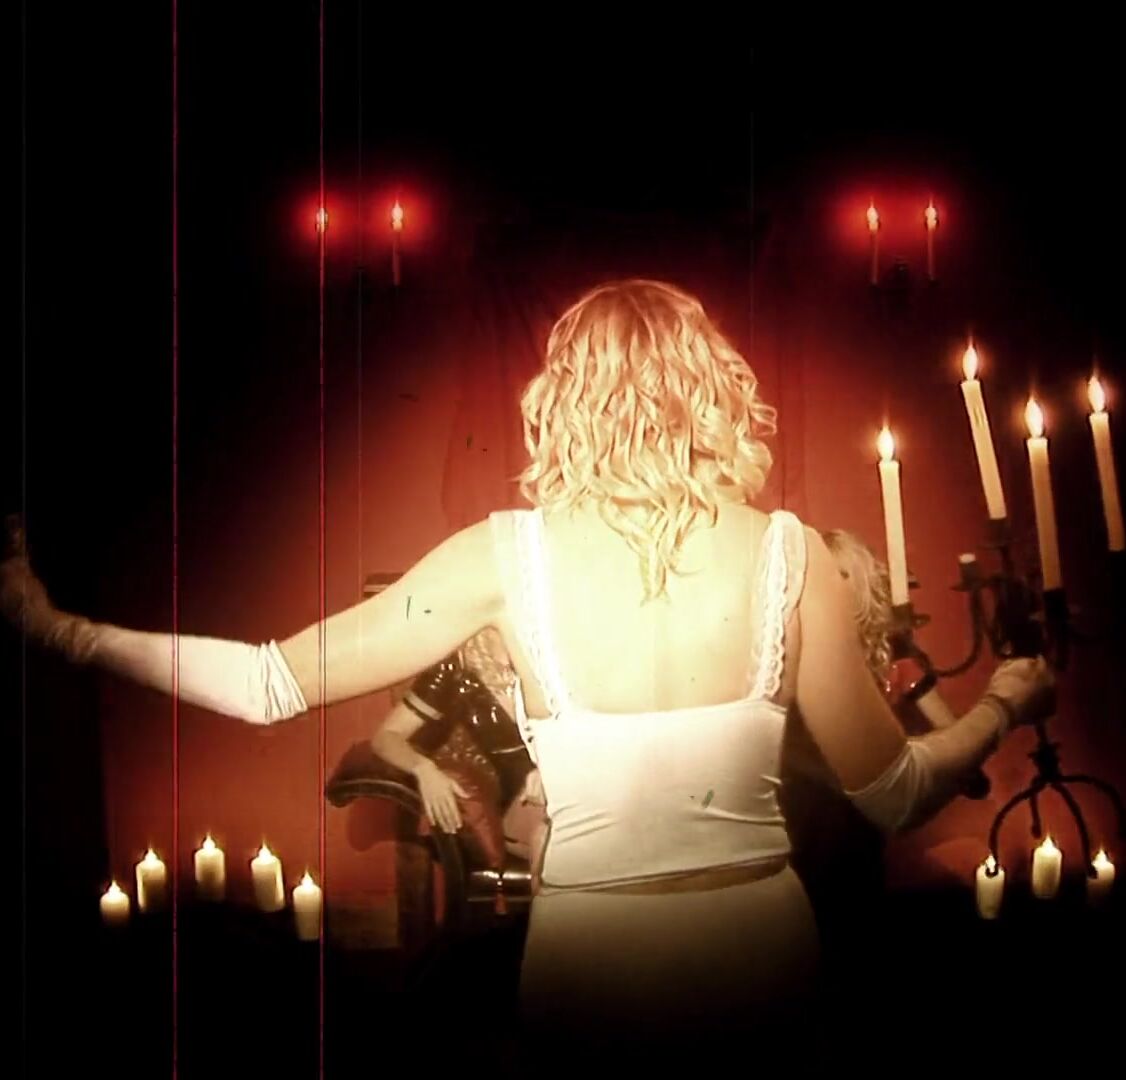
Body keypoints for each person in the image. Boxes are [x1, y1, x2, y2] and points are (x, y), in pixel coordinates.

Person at [0, 280, 1055, 1069]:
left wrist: (65, 633)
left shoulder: (501, 556)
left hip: (588, 969)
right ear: (711, 390)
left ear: (563, 397)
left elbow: (267, 684)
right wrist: (1005, 700)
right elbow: (896, 792)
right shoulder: (790, 552)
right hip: (760, 955)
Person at [374, 626, 548, 878]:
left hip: (571, 780)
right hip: (520, 803)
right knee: (547, 834)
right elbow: (386, 737)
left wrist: (551, 769)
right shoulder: (455, 668)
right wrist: (423, 768)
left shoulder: (559, 648)